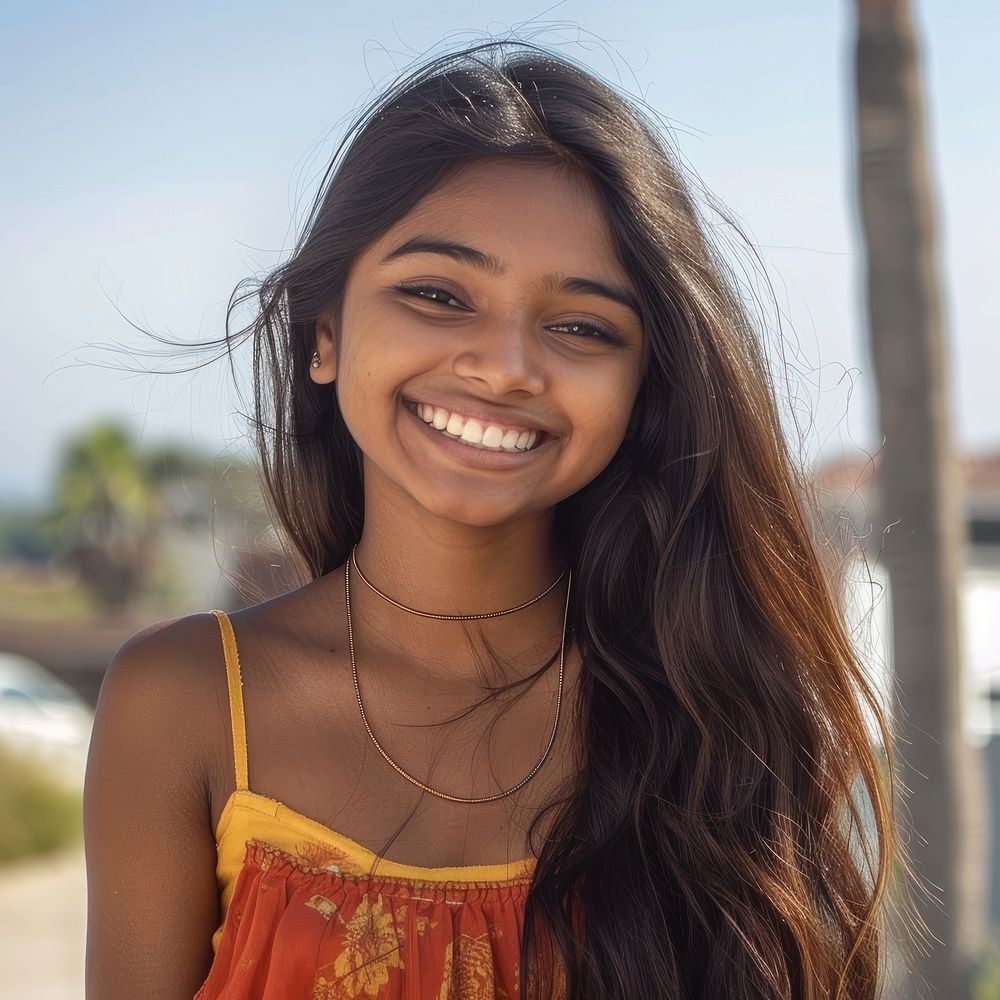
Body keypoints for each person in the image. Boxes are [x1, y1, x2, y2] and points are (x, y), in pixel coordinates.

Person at [83, 38, 909, 1000]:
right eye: (438, 294)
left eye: (581, 326)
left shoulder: (724, 719)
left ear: (643, 387)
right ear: (324, 336)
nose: (507, 365)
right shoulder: (180, 703)